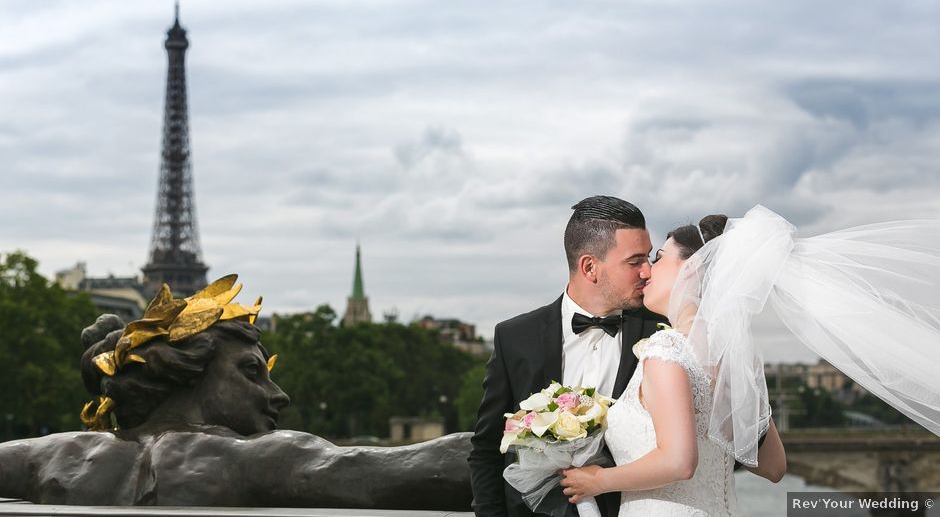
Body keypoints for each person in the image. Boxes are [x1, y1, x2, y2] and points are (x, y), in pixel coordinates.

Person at [561, 205, 940, 515]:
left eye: (658, 259)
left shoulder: (666, 352)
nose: (646, 271)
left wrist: (598, 481)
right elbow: (774, 467)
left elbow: (679, 462)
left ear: (691, 269)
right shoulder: (730, 359)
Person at [0, 276, 473, 509]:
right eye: (253, 371)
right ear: (189, 371)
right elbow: (445, 465)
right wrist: (541, 434)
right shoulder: (258, 459)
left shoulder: (51, 456)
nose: (278, 394)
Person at [469, 195, 665, 517]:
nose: (648, 272)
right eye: (635, 261)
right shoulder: (515, 337)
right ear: (589, 267)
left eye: (649, 258)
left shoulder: (661, 333)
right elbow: (487, 449)